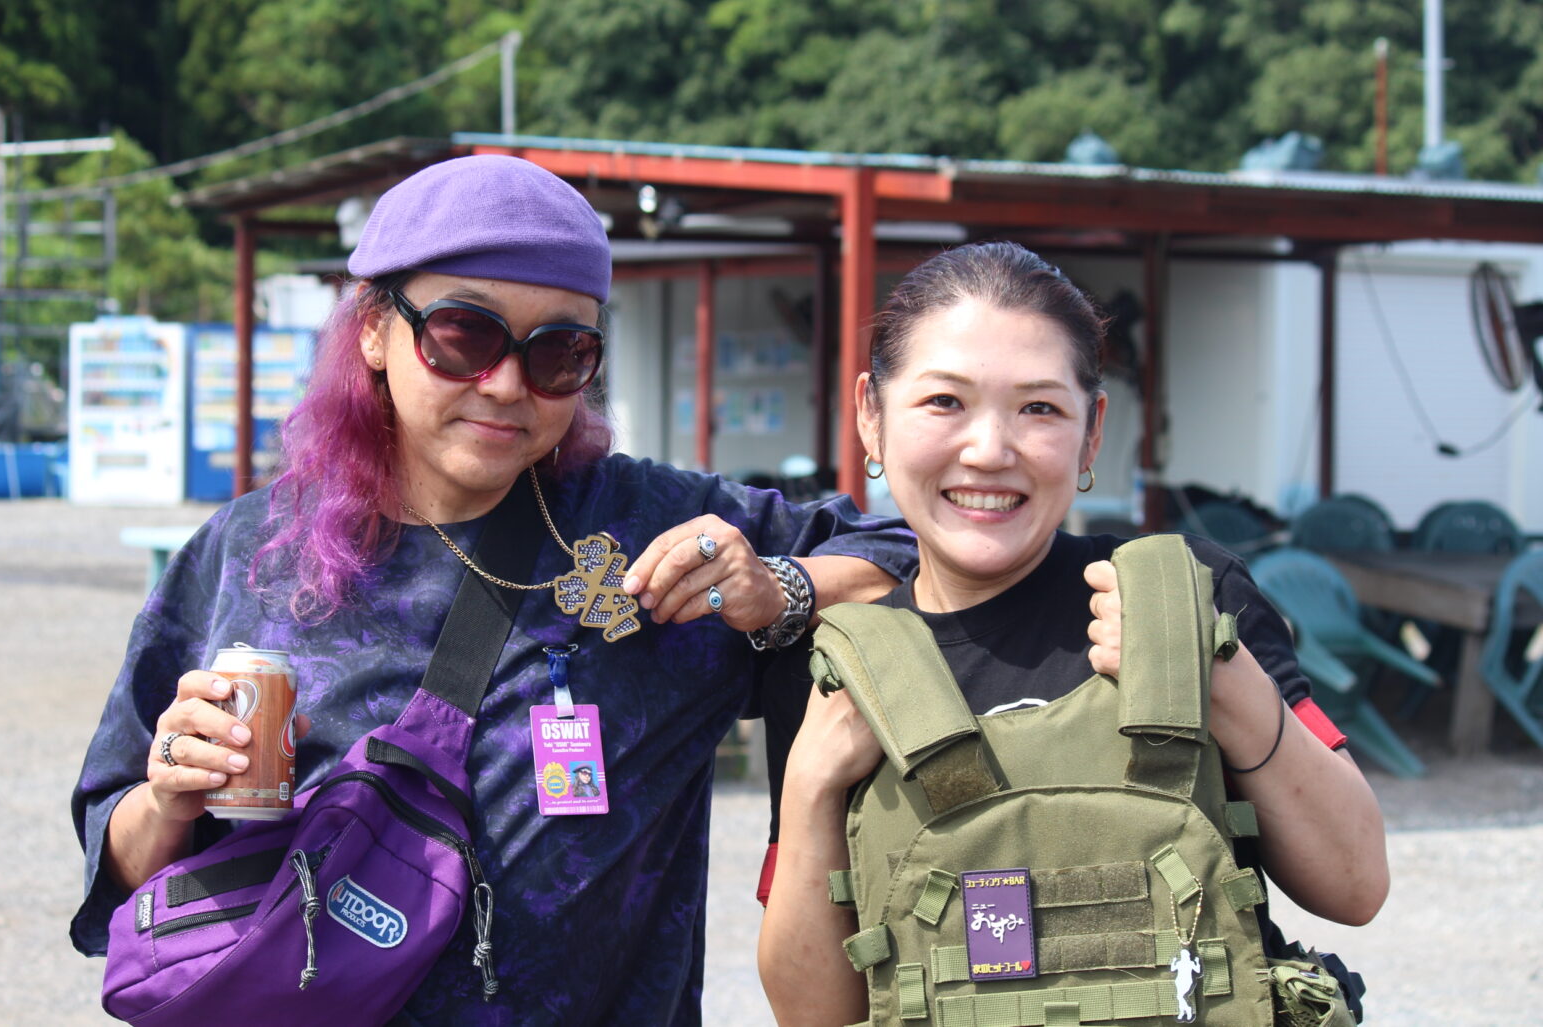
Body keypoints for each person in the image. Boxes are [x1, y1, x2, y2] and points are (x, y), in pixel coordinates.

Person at [70, 155, 914, 1025]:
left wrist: (780, 586)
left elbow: (913, 555)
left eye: (559, 351)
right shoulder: (250, 552)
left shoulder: (650, 525)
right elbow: (116, 869)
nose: (506, 384)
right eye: (464, 336)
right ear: (374, 329)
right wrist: (167, 800)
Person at [755, 241, 1388, 1026]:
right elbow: (811, 1014)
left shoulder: (1189, 595)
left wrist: (1224, 684)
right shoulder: (837, 667)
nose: (989, 450)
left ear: (1092, 432)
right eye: (944, 402)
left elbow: (1357, 884)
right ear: (871, 417)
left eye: (1040, 408)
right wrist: (811, 782)